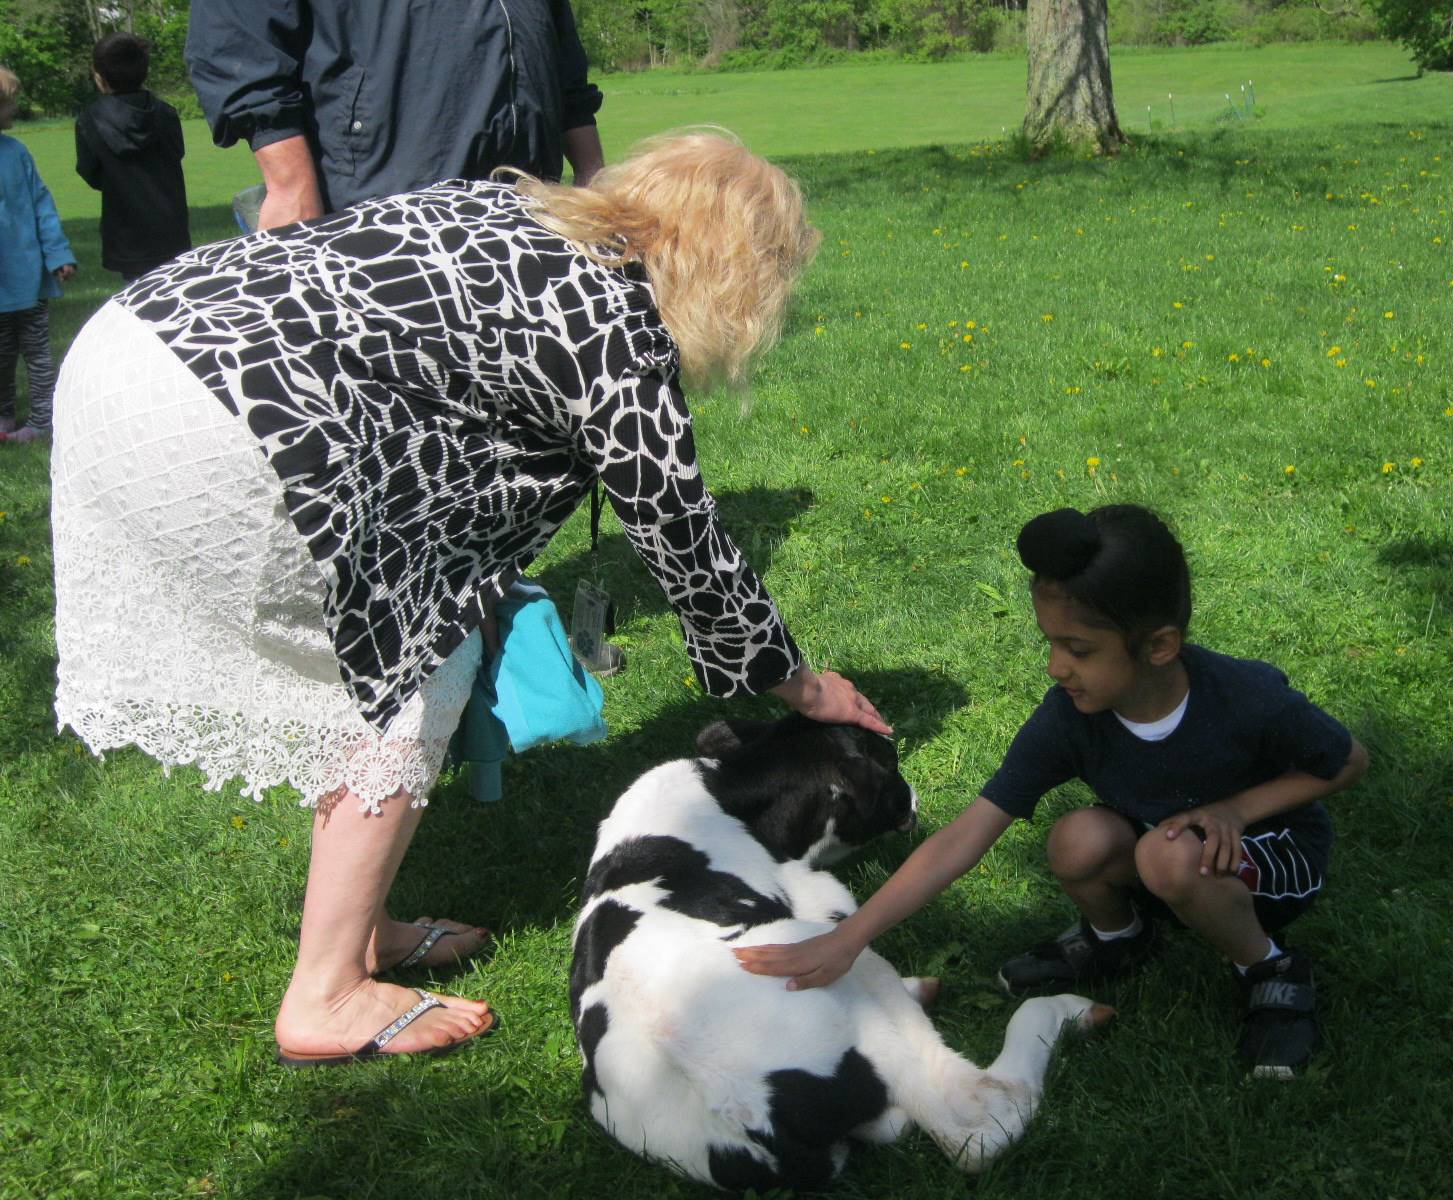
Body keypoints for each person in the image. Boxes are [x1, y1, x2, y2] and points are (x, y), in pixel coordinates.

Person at [51, 131, 890, 1067]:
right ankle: (327, 994)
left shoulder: (516, 209)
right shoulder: (616, 315)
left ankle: (363, 929)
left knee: (376, 656)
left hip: (131, 347)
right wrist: (805, 689)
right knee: (412, 666)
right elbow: (682, 536)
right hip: (227, 417)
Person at [736, 504, 1369, 1079]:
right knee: (1077, 838)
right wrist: (851, 937)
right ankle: (1119, 938)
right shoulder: (1072, 715)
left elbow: (1346, 760)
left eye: (1078, 648)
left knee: (1167, 853)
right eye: (1051, 643)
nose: (1056, 666)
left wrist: (1236, 808)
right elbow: (967, 832)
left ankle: (1269, 968)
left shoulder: (1244, 696)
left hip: (1275, 857)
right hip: (1172, 851)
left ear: (1158, 647)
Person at [186, 0, 606, 231]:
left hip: (527, 208)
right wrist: (290, 186)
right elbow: (237, 39)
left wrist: (592, 176)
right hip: (379, 211)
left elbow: (562, 58)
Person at [74, 32, 192, 282]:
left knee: (139, 303)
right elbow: (177, 153)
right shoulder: (166, 113)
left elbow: (90, 171)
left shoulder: (89, 120)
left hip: (126, 230)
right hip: (172, 228)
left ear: (100, 76)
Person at [0, 66, 76, 445]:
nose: (13, 111)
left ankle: (43, 419)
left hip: (28, 278)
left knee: (38, 356)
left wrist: (58, 254)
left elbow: (41, 206)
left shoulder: (16, 153)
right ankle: (4, 417)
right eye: (8, 105)